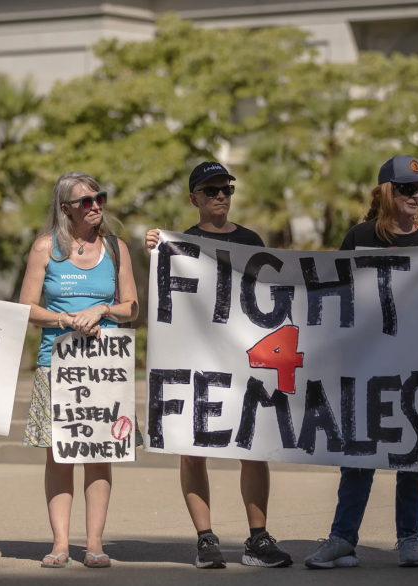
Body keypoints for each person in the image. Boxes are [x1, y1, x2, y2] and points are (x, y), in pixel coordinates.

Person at [305, 155, 418, 570]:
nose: (414, 195)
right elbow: (336, 297)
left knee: (414, 453)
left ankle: (409, 537)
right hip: (366, 362)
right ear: (387, 191)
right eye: (406, 188)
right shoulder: (359, 237)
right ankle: (342, 539)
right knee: (358, 451)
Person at [145, 161, 293, 569]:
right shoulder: (180, 243)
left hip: (245, 359)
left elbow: (272, 297)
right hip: (195, 361)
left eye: (226, 189)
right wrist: (156, 247)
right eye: (211, 191)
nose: (221, 197)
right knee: (192, 449)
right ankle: (206, 540)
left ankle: (258, 539)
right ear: (193, 199)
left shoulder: (251, 239)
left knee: (254, 448)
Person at [18, 172, 139, 568]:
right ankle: (59, 543)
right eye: (85, 201)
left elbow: (132, 308)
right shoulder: (44, 249)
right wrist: (66, 320)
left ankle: (95, 544)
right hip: (58, 364)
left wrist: (102, 309)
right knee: (60, 454)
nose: (95, 206)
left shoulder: (116, 249)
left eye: (99, 198)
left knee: (100, 452)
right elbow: (27, 309)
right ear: (65, 208)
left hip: (105, 366)